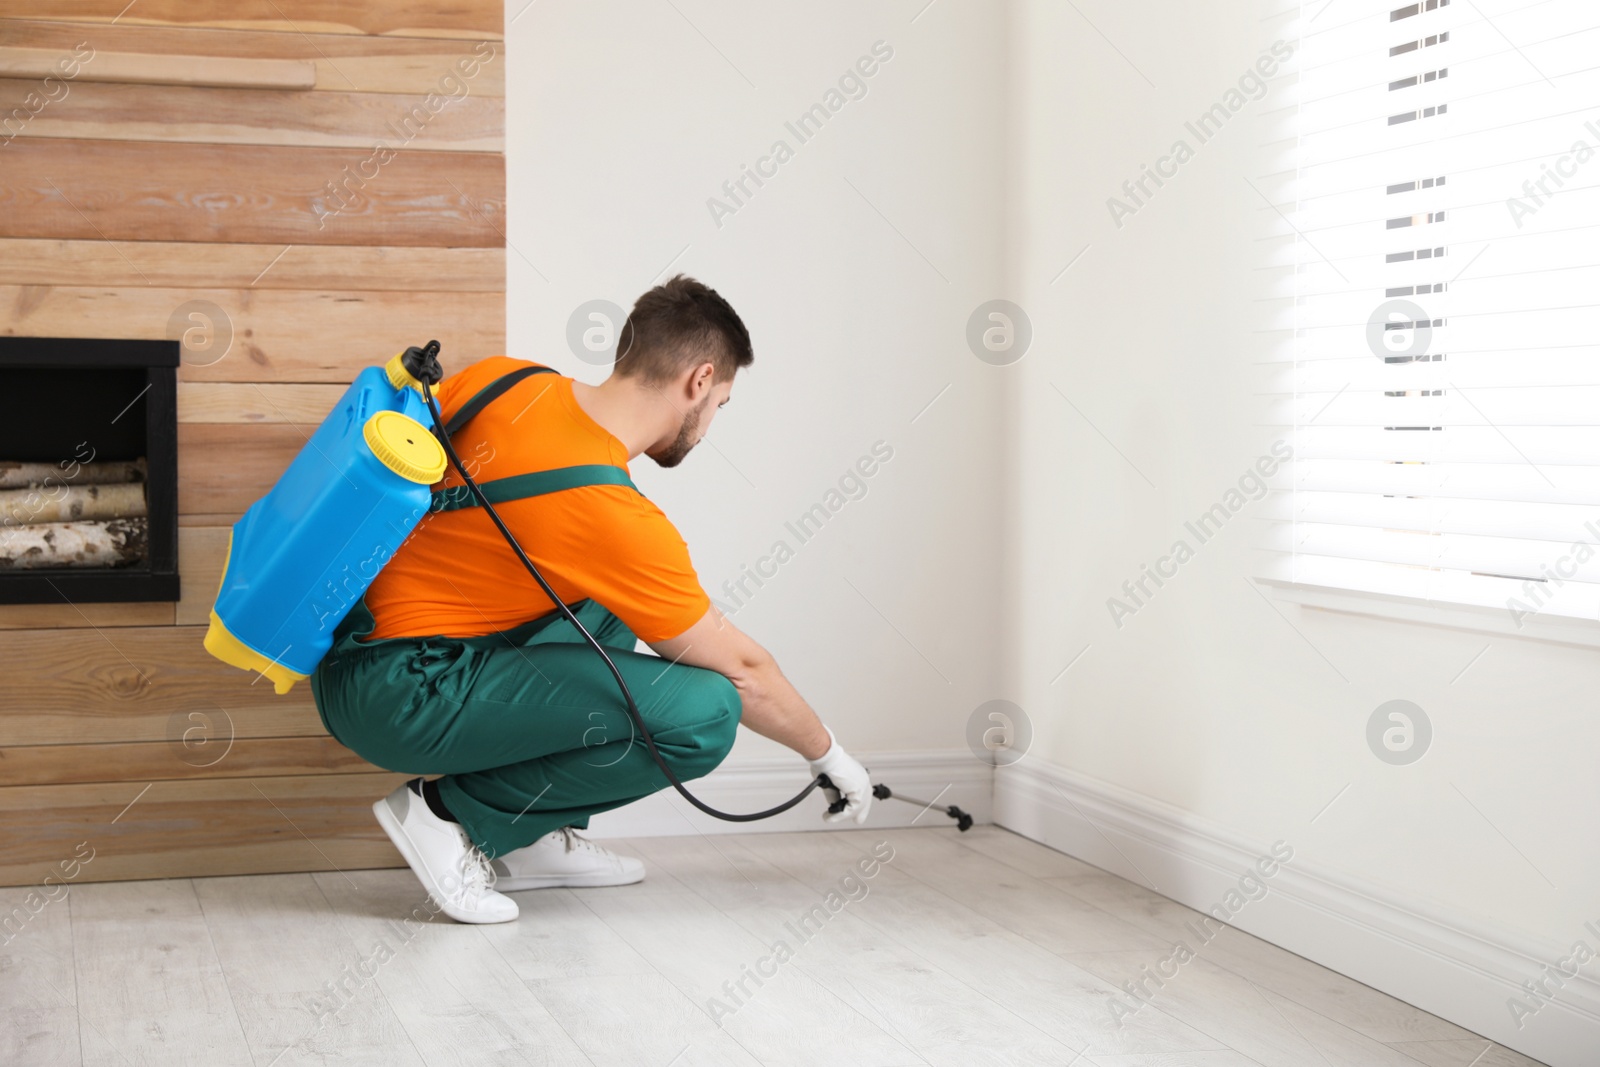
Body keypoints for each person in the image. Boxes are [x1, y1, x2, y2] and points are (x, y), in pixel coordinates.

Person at [309, 275, 873, 924]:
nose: (711, 420)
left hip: (356, 656)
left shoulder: (508, 378)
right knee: (707, 713)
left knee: (605, 602)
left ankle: (537, 834)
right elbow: (745, 672)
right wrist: (828, 752)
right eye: (721, 401)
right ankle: (443, 815)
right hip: (405, 694)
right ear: (699, 380)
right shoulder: (611, 512)